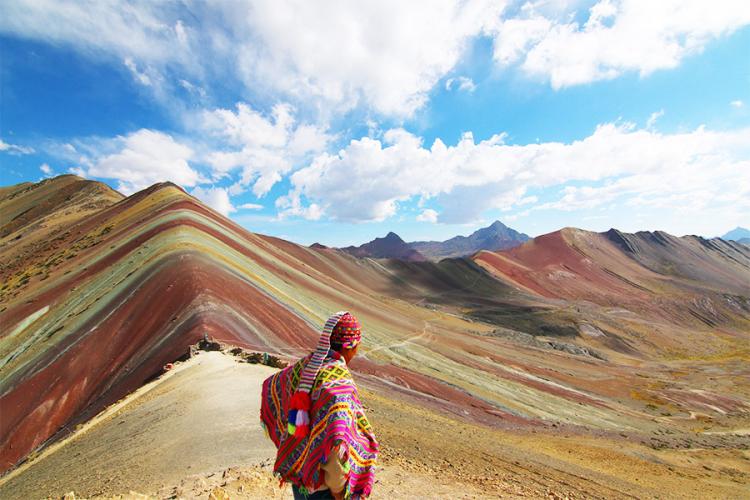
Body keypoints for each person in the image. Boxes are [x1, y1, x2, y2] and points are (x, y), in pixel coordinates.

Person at [260, 311, 378, 499]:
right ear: (352, 347)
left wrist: (293, 446)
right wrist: (339, 491)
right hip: (323, 488)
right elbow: (336, 445)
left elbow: (272, 386)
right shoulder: (340, 388)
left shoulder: (305, 367)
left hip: (300, 476)